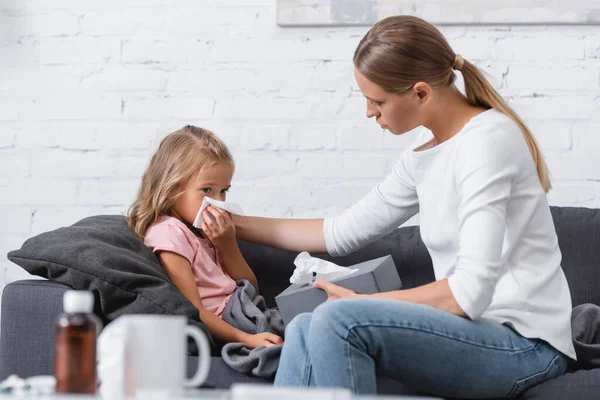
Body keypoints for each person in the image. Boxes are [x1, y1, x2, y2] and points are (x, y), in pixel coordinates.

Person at [233, 16, 576, 398]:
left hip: (525, 344)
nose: (369, 112)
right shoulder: (420, 159)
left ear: (421, 93)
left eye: (377, 100)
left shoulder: (487, 142)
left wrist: (364, 303)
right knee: (302, 325)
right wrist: (232, 224)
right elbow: (339, 233)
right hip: (477, 333)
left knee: (338, 319)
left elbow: (470, 293)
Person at [127, 125, 283, 349]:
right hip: (228, 324)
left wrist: (228, 246)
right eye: (207, 190)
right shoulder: (169, 233)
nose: (218, 201)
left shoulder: (201, 229)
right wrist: (246, 339)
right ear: (171, 188)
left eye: (224, 190)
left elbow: (251, 289)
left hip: (245, 309)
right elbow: (193, 309)